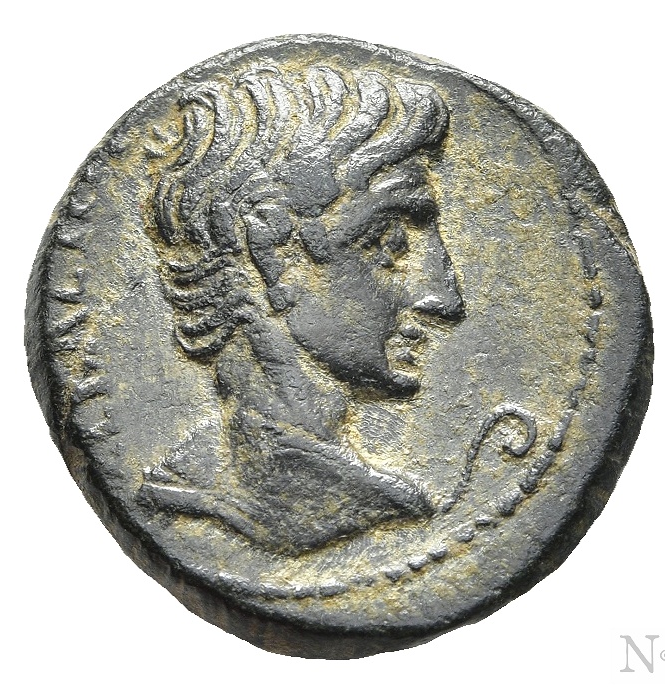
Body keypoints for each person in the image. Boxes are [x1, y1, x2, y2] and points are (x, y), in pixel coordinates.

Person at [137, 62, 465, 555]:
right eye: (389, 242)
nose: (445, 298)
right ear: (268, 255)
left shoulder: (189, 474)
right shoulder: (351, 510)